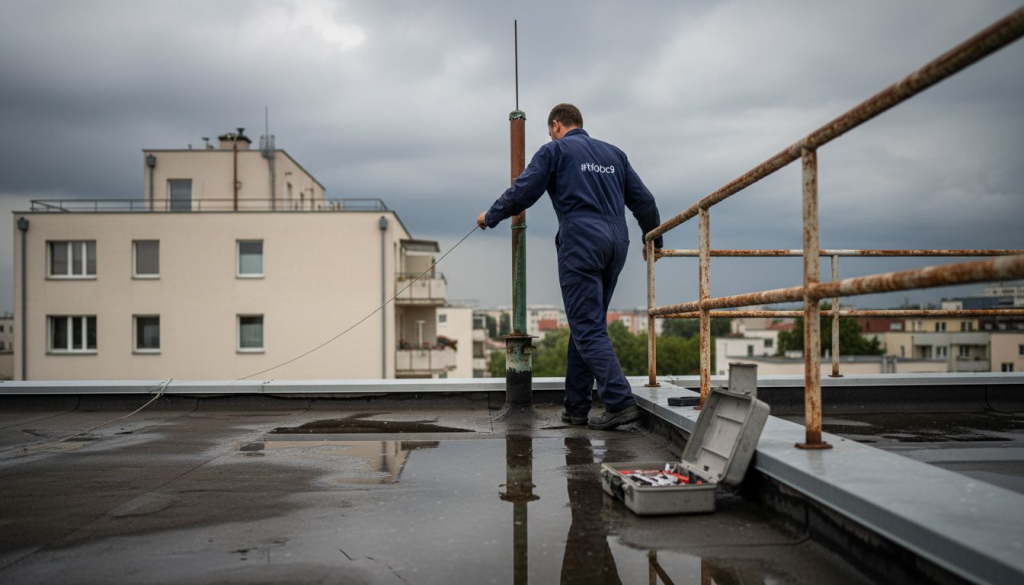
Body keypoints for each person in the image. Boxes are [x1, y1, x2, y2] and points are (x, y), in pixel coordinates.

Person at [477, 103, 663, 430]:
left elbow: (523, 191)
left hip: (581, 241)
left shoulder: (556, 150)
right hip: (617, 242)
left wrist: (490, 216)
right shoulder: (614, 154)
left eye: (551, 130)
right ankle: (575, 407)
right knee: (586, 323)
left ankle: (619, 403)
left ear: (556, 124)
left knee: (588, 326)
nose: (551, 134)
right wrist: (655, 241)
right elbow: (644, 202)